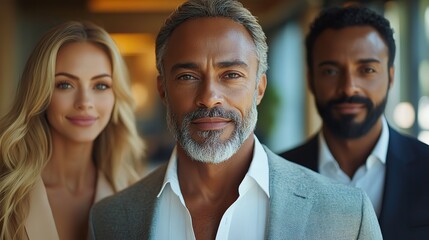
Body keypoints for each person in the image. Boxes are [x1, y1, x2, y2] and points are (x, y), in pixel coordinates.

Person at [89, 0, 382, 239]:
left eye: (231, 75)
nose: (209, 97)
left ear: (259, 89)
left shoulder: (345, 214)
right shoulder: (110, 220)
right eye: (187, 76)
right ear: (162, 89)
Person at [280, 6, 429, 239]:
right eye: (330, 71)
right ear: (310, 80)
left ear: (391, 77)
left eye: (367, 69)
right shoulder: (276, 176)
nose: (349, 87)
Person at [0, 21, 144, 240]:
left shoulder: (135, 197)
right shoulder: (6, 194)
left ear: (116, 96)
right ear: (41, 92)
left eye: (101, 85)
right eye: (65, 84)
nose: (85, 102)